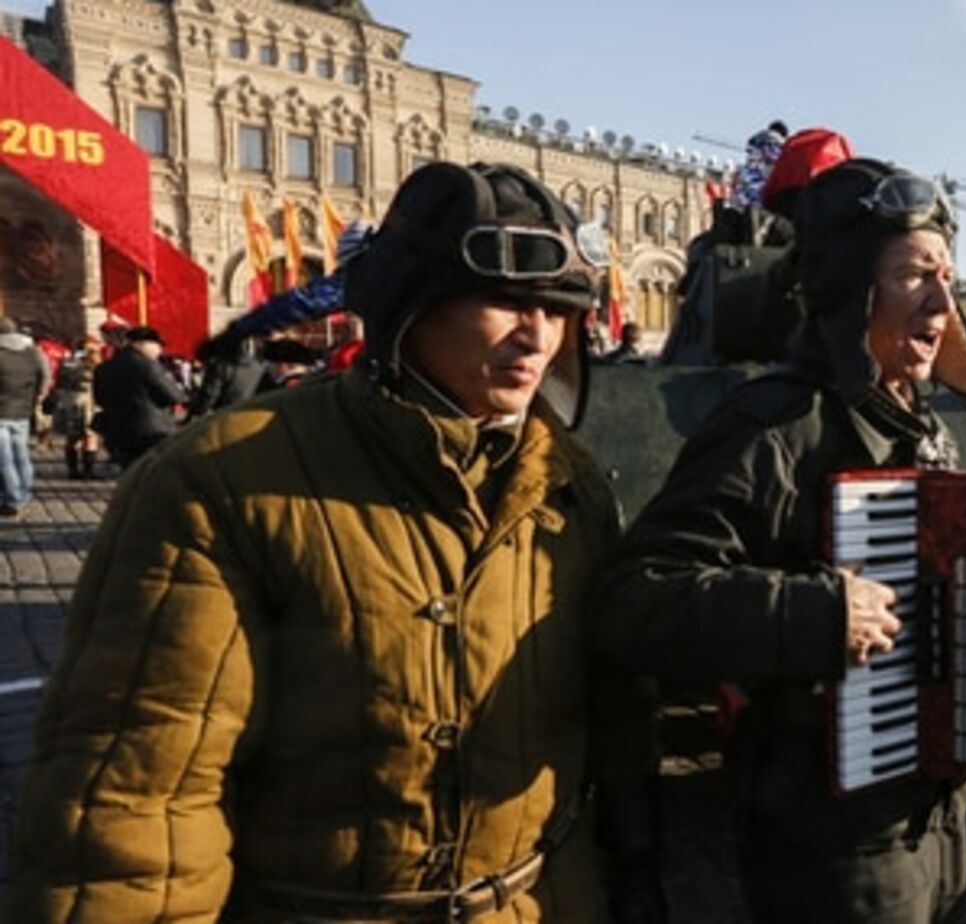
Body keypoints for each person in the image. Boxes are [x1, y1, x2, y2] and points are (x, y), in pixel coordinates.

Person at [9, 162, 663, 922]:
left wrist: (635, 876)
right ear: (407, 304)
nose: (537, 334)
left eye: (557, 308)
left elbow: (615, 721)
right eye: (504, 300)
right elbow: (140, 795)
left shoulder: (567, 484)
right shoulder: (223, 481)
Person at [592, 160, 966, 923]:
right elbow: (634, 598)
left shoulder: (916, 417)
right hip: (827, 823)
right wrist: (810, 617)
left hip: (933, 808)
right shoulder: (774, 424)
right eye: (916, 275)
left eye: (948, 277)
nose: (944, 303)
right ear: (854, 289)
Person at [88, 325, 186, 470]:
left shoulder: (104, 367)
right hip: (151, 431)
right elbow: (173, 395)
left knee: (129, 473)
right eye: (158, 346)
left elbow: (99, 398)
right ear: (143, 344)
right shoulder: (149, 366)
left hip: (116, 430)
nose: (159, 351)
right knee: (153, 474)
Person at [0, 316, 50, 516]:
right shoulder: (33, 351)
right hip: (23, 407)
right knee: (21, 454)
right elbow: (45, 375)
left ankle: (14, 498)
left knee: (4, 458)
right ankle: (24, 493)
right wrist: (39, 395)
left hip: (1, 408)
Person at [49, 340, 101, 479]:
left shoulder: (67, 363)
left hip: (69, 401)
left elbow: (59, 379)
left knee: (72, 437)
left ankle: (73, 470)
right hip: (88, 401)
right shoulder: (93, 366)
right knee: (90, 436)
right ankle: (88, 471)